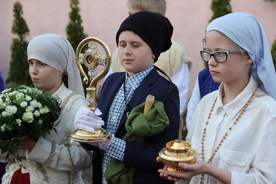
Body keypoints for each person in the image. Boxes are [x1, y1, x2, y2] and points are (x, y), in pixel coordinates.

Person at [157, 12, 276, 183]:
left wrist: (208, 169)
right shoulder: (206, 103)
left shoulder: (267, 113)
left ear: (248, 55)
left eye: (220, 53)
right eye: (207, 53)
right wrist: (177, 166)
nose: (211, 62)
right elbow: (190, 155)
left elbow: (267, 180)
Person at [74, 11, 180, 184]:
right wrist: (86, 129)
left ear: (153, 51)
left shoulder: (165, 90)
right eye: (122, 44)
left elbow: (161, 153)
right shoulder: (112, 81)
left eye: (135, 45)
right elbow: (95, 141)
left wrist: (112, 144)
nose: (126, 51)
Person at [0, 33, 92, 184]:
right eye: (31, 63)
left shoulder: (75, 105)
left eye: (41, 64)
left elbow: (84, 157)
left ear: (61, 68)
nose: (33, 70)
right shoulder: (22, 101)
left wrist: (37, 147)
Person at [107, 0, 191, 117]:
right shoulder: (118, 53)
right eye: (130, 15)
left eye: (140, 16)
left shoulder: (175, 53)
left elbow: (180, 98)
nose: (133, 21)